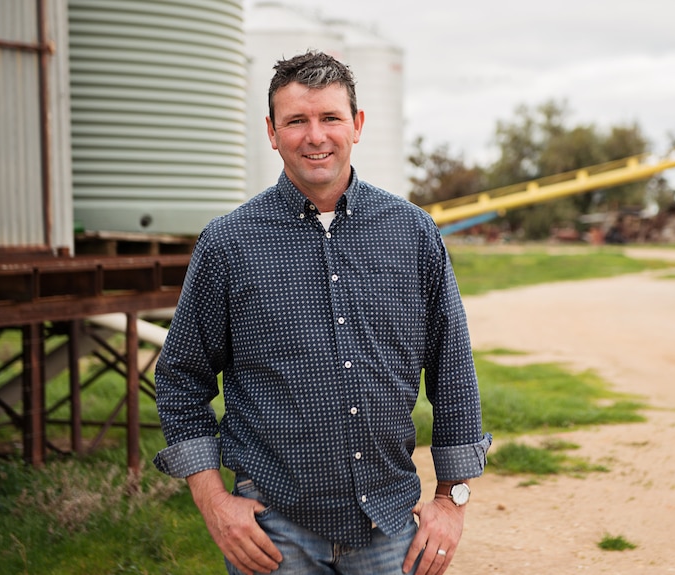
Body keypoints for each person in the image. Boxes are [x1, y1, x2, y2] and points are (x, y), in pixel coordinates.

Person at [153, 50, 491, 575]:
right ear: (271, 131)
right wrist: (213, 502)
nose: (315, 136)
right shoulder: (228, 243)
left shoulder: (414, 233)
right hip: (271, 535)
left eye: (330, 117)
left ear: (356, 125)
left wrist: (451, 501)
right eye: (297, 121)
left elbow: (453, 374)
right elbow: (180, 380)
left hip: (391, 529)